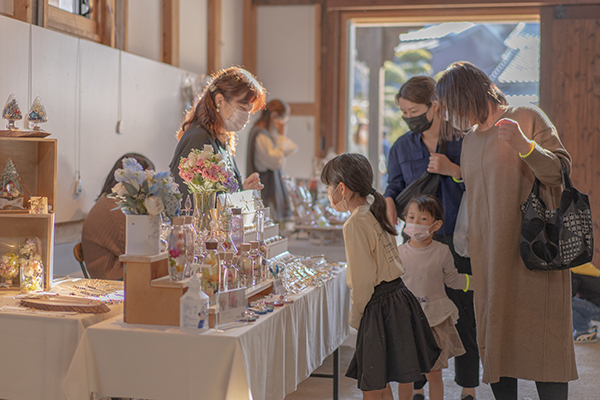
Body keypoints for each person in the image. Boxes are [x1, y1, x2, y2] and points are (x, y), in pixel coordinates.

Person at [436, 61, 576, 400]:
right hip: (489, 261)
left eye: (452, 107)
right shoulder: (469, 140)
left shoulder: (526, 116)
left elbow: (560, 172)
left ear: (470, 93)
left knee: (546, 345)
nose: (451, 117)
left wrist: (525, 146)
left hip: (535, 254)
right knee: (497, 344)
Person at [384, 76, 479, 400]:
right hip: (417, 242)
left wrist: (454, 169)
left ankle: (468, 387)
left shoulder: (465, 141)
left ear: (435, 106)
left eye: (414, 110)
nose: (409, 117)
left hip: (457, 237)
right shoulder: (401, 146)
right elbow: (394, 186)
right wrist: (387, 203)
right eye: (404, 112)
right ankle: (420, 385)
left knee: (464, 312)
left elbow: (482, 188)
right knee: (416, 312)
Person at [321, 153, 440, 400]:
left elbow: (363, 279)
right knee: (386, 378)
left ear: (341, 189)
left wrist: (356, 317)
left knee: (373, 385)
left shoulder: (354, 223)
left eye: (329, 188)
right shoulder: (374, 210)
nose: (328, 193)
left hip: (378, 305)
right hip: (399, 298)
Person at [397, 195, 473, 400]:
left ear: (436, 224)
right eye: (411, 217)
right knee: (406, 375)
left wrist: (479, 283)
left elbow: (453, 281)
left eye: (423, 219)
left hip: (435, 320)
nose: (415, 223)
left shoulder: (442, 251)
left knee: (434, 373)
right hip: (407, 320)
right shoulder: (398, 253)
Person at [169, 66, 266, 194]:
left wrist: (242, 190)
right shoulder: (199, 138)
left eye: (249, 110)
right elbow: (192, 201)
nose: (246, 116)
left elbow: (220, 197)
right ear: (220, 100)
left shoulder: (222, 139)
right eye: (242, 107)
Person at [81, 153, 155, 280]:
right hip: (111, 278)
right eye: (147, 178)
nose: (151, 185)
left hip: (116, 270)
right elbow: (141, 246)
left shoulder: (111, 200)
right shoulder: (115, 206)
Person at [247, 99, 298, 221]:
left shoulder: (266, 134)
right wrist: (282, 135)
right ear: (274, 116)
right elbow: (277, 162)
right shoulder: (261, 135)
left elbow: (291, 149)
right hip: (266, 195)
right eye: (282, 120)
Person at [571, 263, 600, 343]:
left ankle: (584, 331)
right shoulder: (585, 268)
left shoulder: (575, 271)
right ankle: (588, 327)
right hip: (596, 306)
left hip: (597, 309)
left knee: (569, 303)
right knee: (577, 303)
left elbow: (570, 294)